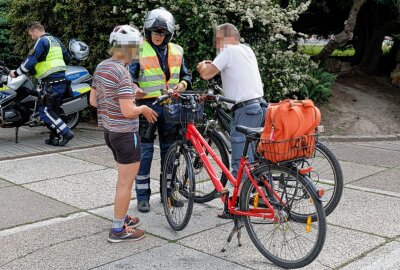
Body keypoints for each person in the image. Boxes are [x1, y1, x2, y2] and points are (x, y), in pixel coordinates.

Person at [89, 25, 158, 242]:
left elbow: (93, 100)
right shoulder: (122, 71)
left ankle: (122, 214)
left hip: (110, 132)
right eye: (136, 48)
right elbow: (128, 111)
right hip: (126, 134)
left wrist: (129, 92)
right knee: (125, 183)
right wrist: (143, 108)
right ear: (128, 48)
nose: (137, 52)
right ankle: (118, 229)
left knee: (122, 180)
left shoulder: (102, 67)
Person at [197, 23, 265, 217]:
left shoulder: (229, 50)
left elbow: (206, 74)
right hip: (258, 106)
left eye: (217, 41)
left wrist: (203, 65)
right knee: (253, 158)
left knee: (239, 162)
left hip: (244, 111)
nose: (217, 46)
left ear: (225, 38)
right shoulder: (246, 50)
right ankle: (256, 196)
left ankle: (236, 209)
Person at [129, 7, 192, 213]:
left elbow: (186, 77)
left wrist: (181, 86)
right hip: (147, 106)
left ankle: (168, 195)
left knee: (170, 152)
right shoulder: (137, 49)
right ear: (148, 31)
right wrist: (135, 89)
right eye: (155, 32)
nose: (158, 36)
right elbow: (128, 78)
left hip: (171, 106)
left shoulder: (178, 50)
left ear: (168, 34)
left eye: (162, 33)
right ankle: (142, 197)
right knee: (145, 152)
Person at [9, 21, 74, 146]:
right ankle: (53, 139)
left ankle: (66, 132)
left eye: (31, 35)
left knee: (45, 112)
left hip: (50, 83)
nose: (31, 38)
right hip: (61, 82)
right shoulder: (56, 40)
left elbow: (30, 61)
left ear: (35, 31)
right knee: (53, 110)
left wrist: (15, 73)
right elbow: (67, 58)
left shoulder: (42, 41)